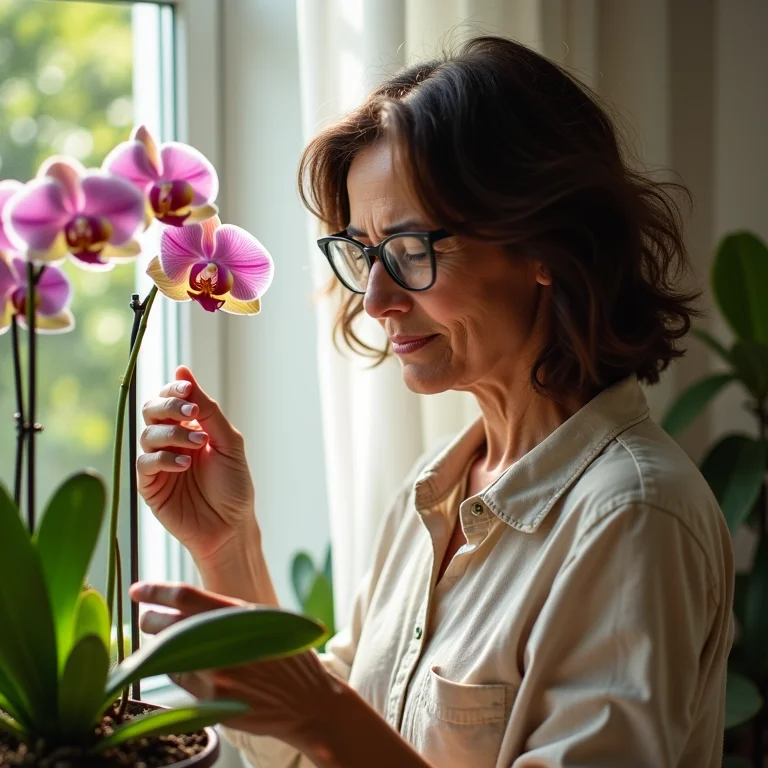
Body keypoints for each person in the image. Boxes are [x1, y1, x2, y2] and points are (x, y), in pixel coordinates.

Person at [131, 36, 734, 768]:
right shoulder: (435, 494)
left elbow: (328, 731)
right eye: (364, 253)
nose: (378, 300)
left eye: (411, 249)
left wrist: (322, 716)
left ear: (545, 241)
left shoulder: (632, 518)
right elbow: (305, 753)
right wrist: (228, 544)